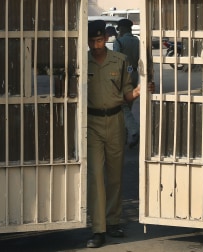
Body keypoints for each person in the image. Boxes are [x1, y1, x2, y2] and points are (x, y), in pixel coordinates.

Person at [86, 20, 142, 248]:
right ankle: (98, 229)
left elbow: (127, 93)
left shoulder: (119, 61)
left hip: (116, 121)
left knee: (114, 175)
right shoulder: (82, 62)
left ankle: (113, 221)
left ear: (107, 39)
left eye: (99, 40)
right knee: (96, 176)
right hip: (92, 123)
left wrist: (139, 92)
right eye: (92, 41)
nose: (96, 45)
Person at [113, 19, 141, 148]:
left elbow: (116, 60)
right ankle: (124, 136)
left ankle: (133, 130)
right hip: (135, 73)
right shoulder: (137, 41)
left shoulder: (118, 42)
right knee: (128, 104)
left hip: (123, 74)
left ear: (122, 29)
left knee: (121, 104)